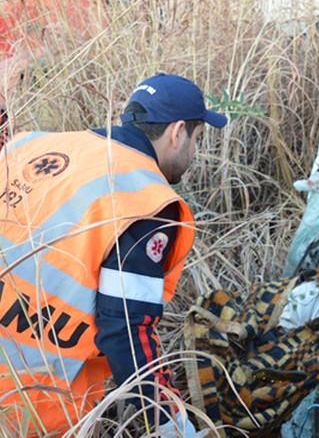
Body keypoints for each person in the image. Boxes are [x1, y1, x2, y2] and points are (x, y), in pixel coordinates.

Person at [0, 73, 226, 437]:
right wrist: (170, 422)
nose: (194, 153)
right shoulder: (144, 200)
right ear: (178, 131)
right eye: (197, 139)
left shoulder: (31, 143)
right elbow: (126, 329)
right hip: (30, 407)